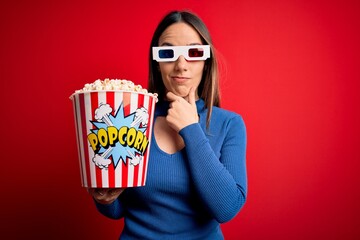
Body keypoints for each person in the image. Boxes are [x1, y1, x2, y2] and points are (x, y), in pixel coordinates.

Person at [88, 10, 247, 239]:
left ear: (206, 61)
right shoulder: (132, 119)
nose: (181, 65)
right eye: (168, 52)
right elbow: (119, 209)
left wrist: (191, 129)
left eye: (193, 52)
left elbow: (227, 208)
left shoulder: (230, 124)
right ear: (157, 62)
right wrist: (105, 198)